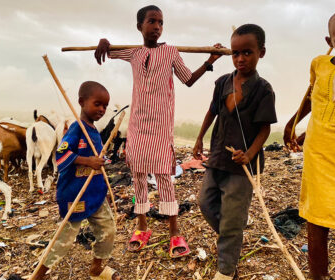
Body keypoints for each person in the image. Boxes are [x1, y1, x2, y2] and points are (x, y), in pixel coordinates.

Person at [94, 5, 222, 257]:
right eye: (152, 21)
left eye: (161, 23)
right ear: (139, 26)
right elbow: (109, 50)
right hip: (138, 125)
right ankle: (141, 226)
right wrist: (104, 42)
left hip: (161, 126)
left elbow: (187, 79)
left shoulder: (171, 52)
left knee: (164, 176)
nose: (157, 27)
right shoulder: (133, 53)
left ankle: (174, 231)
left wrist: (210, 60)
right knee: (139, 176)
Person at [284, 8, 335, 280]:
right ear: (329, 42)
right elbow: (315, 99)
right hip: (319, 160)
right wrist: (293, 124)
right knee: (316, 227)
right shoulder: (320, 64)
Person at [194, 24, 277, 280]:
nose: (241, 59)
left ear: (261, 52)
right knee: (206, 204)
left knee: (231, 221)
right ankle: (233, 235)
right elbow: (212, 112)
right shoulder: (222, 82)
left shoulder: (264, 89)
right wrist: (199, 139)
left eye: (248, 53)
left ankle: (226, 270)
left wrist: (250, 154)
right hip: (218, 156)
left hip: (242, 167)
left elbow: (264, 129)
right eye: (236, 53)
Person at [31, 81, 121, 280]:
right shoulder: (76, 129)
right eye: (97, 104)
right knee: (64, 237)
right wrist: (88, 161)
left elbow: (96, 156)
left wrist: (101, 160)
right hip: (76, 194)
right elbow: (61, 155)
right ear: (81, 102)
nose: (102, 109)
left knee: (108, 230)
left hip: (95, 193)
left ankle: (96, 269)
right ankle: (38, 274)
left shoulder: (94, 132)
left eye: (105, 106)